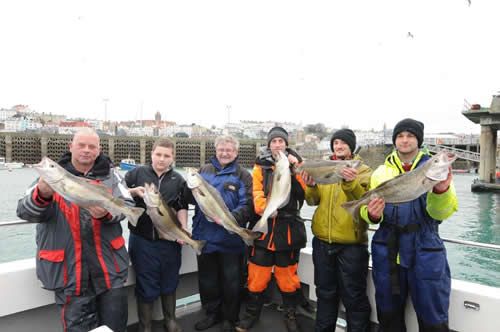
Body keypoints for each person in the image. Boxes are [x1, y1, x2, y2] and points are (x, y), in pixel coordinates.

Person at [16, 128, 131, 332]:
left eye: (91, 146)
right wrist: (42, 194)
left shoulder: (113, 177)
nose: (86, 150)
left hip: (109, 270)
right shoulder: (51, 176)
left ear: (98, 150)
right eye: (81, 145)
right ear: (71, 146)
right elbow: (24, 211)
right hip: (69, 274)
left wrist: (106, 214)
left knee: (115, 328)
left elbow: (127, 207)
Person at [362, 118, 457, 332]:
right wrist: (372, 216)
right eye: (400, 136)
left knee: (433, 316)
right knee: (388, 315)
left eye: (410, 136)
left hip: (425, 248)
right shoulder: (380, 172)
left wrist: (441, 191)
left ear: (418, 140)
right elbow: (365, 211)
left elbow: (442, 213)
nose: (405, 140)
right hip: (388, 249)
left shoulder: (434, 168)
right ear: (395, 140)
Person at [236, 126, 307, 332]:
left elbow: (304, 193)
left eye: (281, 142)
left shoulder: (296, 163)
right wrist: (263, 208)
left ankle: (290, 314)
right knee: (257, 276)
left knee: (288, 277)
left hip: (288, 229)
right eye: (274, 141)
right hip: (265, 227)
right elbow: (256, 190)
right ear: (269, 144)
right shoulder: (260, 165)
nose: (277, 145)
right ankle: (251, 314)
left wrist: (296, 170)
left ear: (286, 144)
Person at [301, 129, 372, 332]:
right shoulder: (324, 167)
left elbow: (364, 201)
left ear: (351, 146)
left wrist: (350, 182)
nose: (339, 146)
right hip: (323, 242)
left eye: (343, 143)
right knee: (325, 294)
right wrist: (311, 186)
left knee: (354, 297)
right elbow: (312, 201)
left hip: (352, 244)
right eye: (336, 143)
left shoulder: (364, 170)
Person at [188, 135, 254, 332]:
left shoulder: (243, 175)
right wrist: (187, 187)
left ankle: (229, 318)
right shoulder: (203, 171)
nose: (225, 153)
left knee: (232, 282)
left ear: (236, 152)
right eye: (221, 149)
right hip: (204, 236)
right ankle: (211, 314)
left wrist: (230, 219)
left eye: (229, 150)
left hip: (231, 239)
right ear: (215, 150)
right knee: (207, 281)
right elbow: (190, 199)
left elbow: (248, 205)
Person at [125, 138, 188, 332]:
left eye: (166, 156)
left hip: (169, 240)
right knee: (145, 282)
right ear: (151, 154)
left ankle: (170, 320)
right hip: (142, 240)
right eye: (158, 154)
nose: (161, 159)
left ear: (172, 158)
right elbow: (117, 196)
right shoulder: (135, 173)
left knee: (170, 279)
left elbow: (181, 206)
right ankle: (146, 326)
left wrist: (184, 227)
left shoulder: (178, 180)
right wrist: (134, 192)